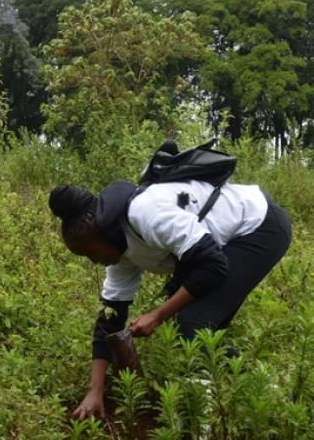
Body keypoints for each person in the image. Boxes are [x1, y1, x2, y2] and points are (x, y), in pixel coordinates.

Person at [48, 176, 291, 420]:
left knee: (193, 324)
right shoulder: (119, 254)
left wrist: (159, 314)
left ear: (105, 233)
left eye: (92, 252)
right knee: (205, 333)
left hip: (259, 226)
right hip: (221, 247)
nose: (94, 261)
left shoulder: (146, 215)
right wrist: (95, 391)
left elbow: (213, 265)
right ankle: (265, 392)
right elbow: (108, 321)